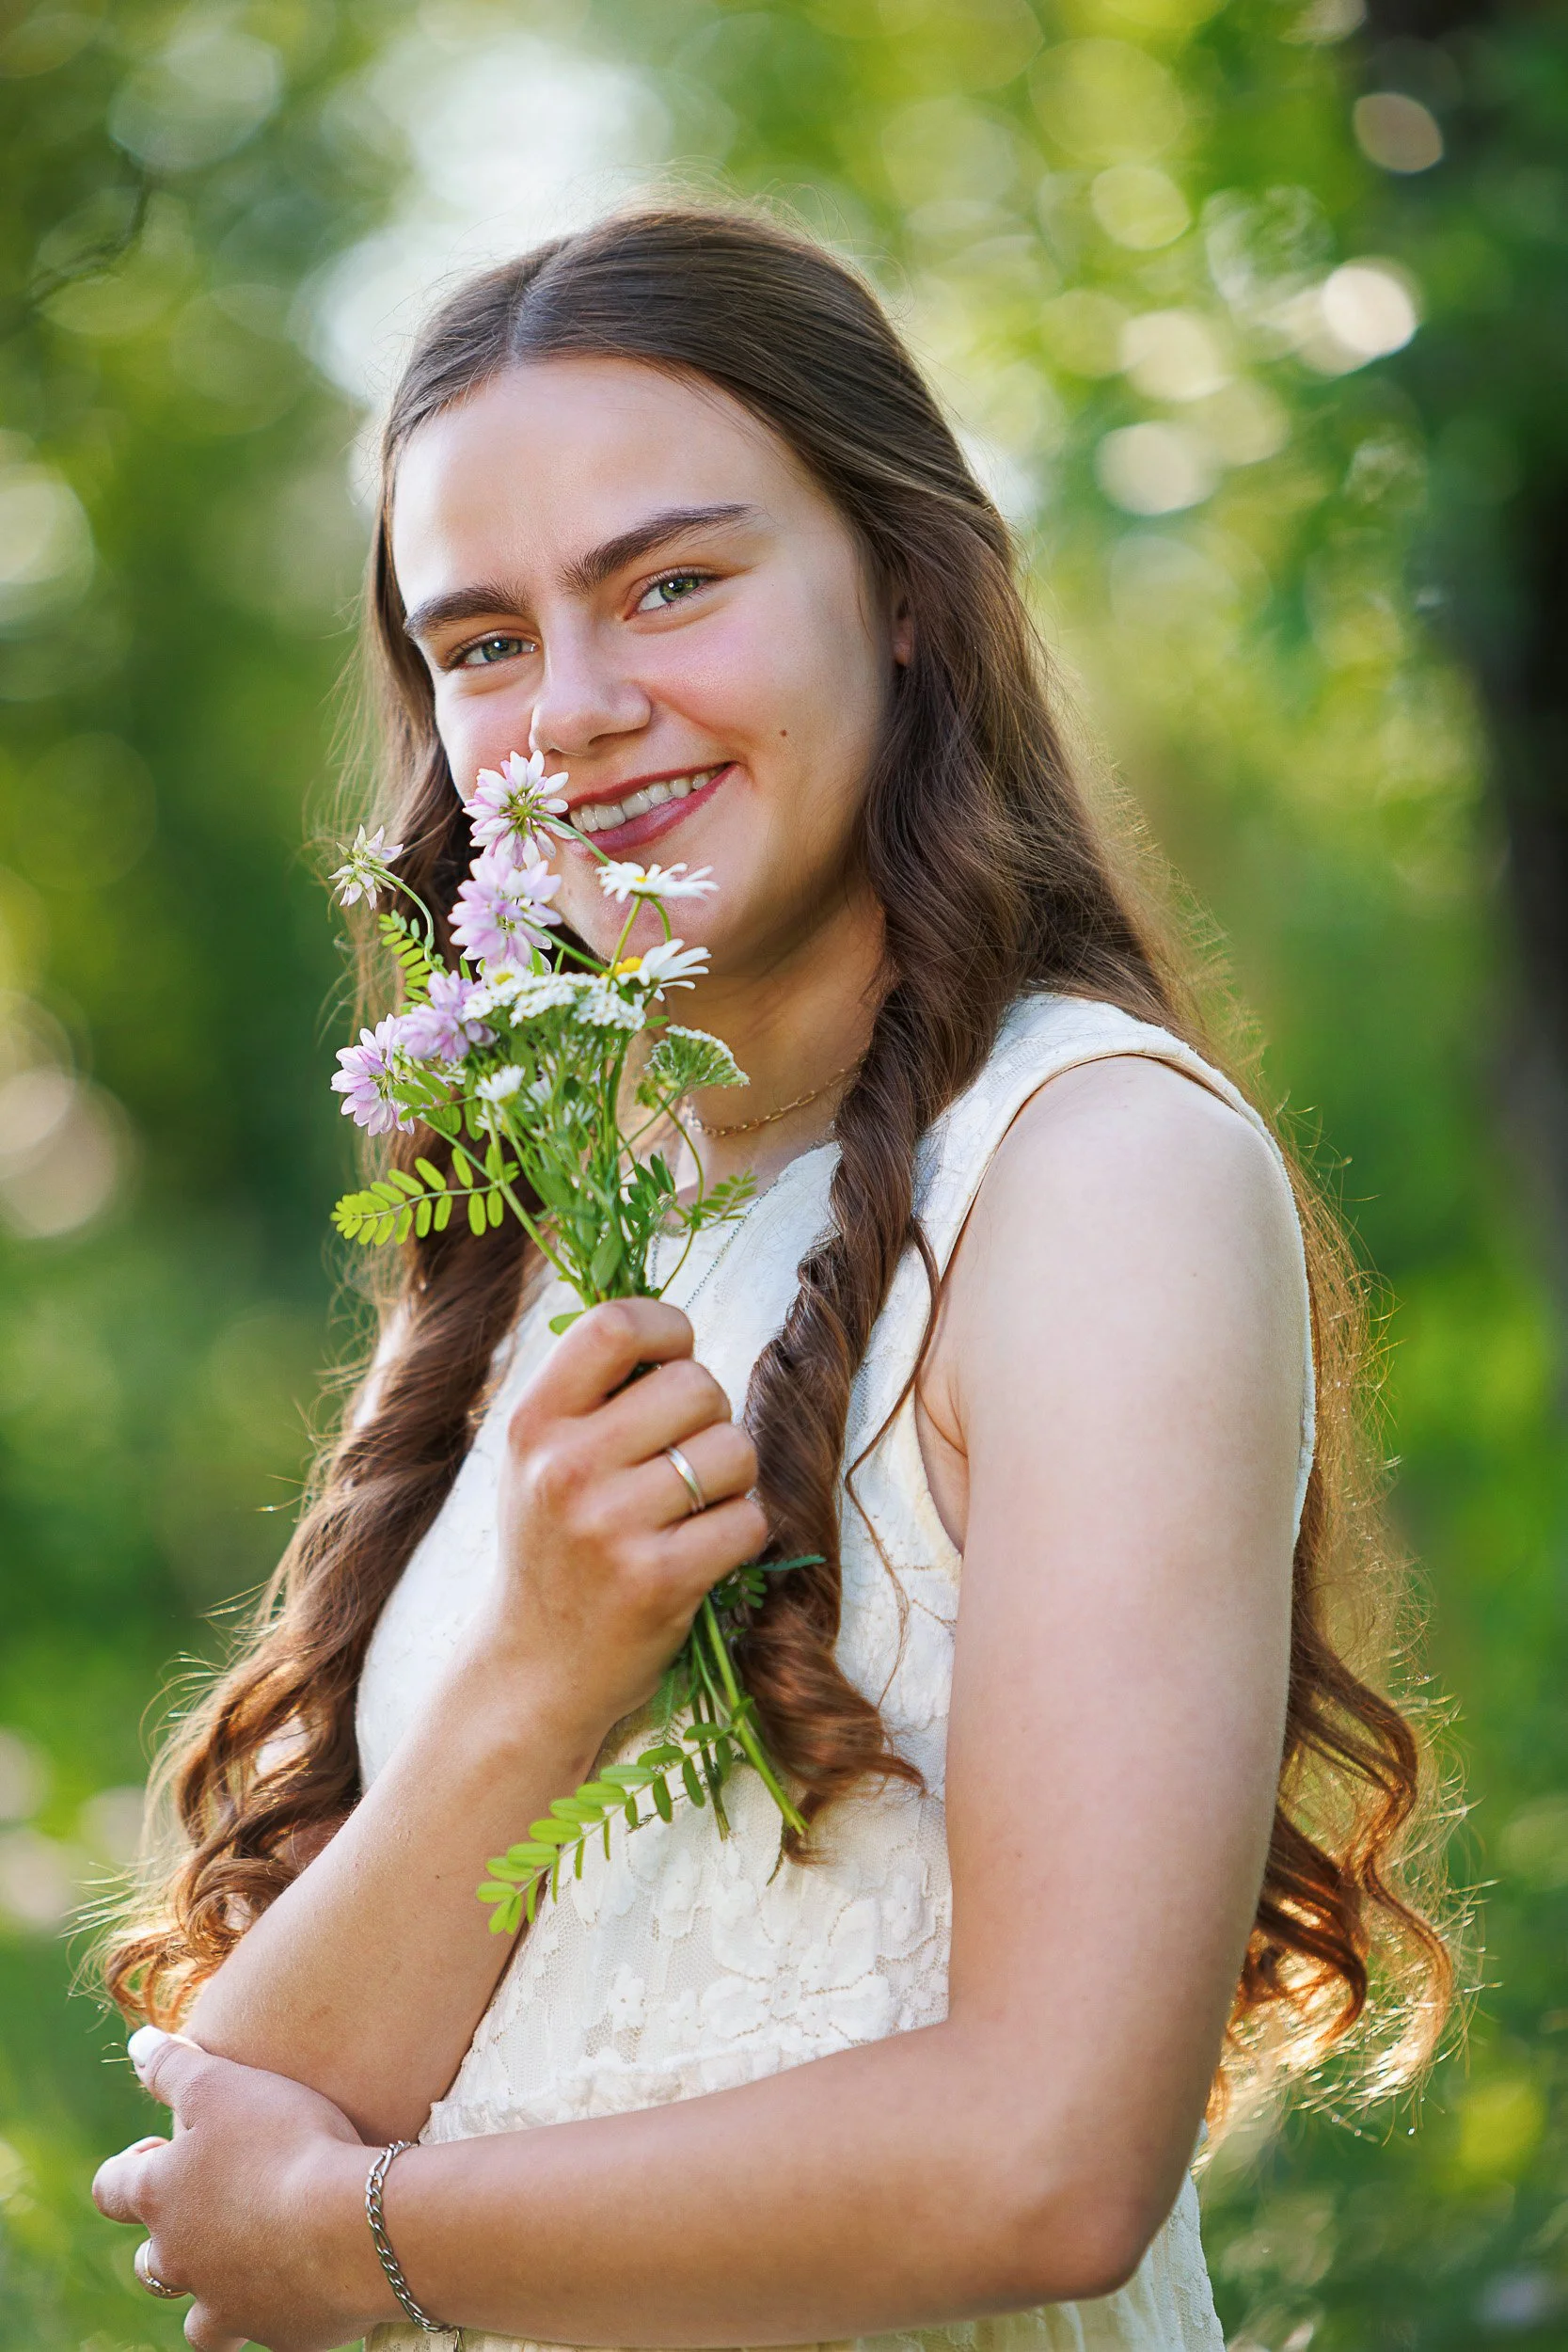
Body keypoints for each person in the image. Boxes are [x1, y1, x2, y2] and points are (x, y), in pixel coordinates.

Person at [93, 207, 1450, 2352]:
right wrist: (547, 1660)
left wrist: (370, 2231)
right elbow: (240, 2115)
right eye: (481, 643)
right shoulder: (569, 1236)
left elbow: (1048, 2154)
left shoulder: (1090, 1174)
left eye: (670, 584)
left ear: (901, 594)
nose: (580, 712)